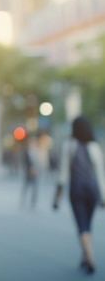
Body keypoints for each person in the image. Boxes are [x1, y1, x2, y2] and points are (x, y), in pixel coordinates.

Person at [53, 116, 105, 275]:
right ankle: (85, 255)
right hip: (92, 191)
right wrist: (103, 196)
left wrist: (57, 197)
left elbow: (62, 174)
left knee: (82, 224)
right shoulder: (94, 147)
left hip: (76, 190)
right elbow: (100, 174)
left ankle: (90, 257)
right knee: (87, 224)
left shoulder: (69, 145)